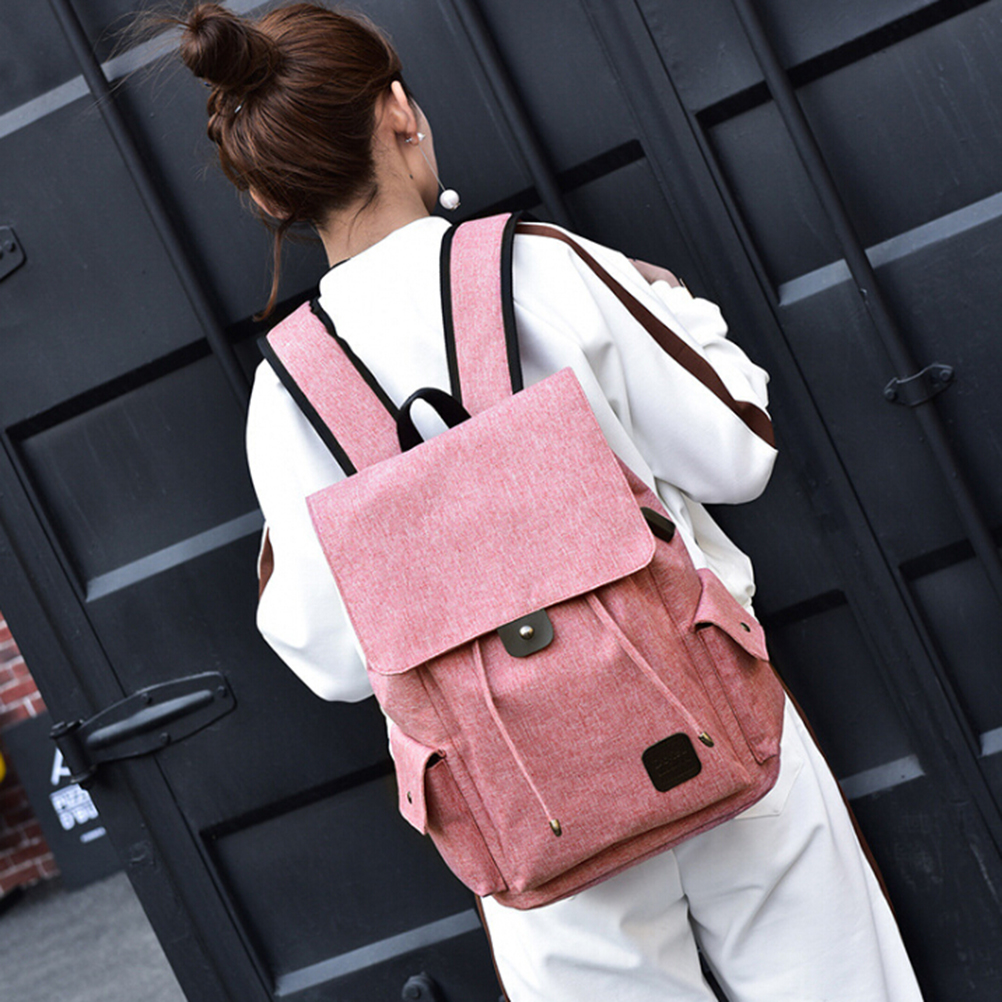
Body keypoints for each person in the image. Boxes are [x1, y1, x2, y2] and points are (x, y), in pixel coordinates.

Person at [172, 4, 924, 999]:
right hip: (705, 709)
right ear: (398, 111)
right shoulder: (538, 265)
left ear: (268, 193)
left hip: (525, 796)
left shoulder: (289, 393)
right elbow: (737, 454)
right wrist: (675, 309)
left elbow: (336, 661)